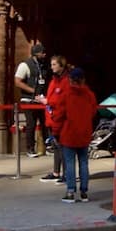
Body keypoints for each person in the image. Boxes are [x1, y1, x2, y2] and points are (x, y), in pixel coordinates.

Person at [50, 68, 97, 203]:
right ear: (83, 80)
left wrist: (55, 132)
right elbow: (93, 112)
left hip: (69, 133)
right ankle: (84, 192)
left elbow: (59, 116)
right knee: (84, 163)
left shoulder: (66, 95)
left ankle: (70, 191)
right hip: (84, 133)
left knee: (70, 164)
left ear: (70, 80)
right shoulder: (90, 95)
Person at [38, 55, 73, 183]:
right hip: (52, 117)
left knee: (63, 147)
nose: (52, 67)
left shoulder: (67, 81)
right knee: (56, 146)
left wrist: (48, 101)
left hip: (61, 118)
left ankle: (67, 174)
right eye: (51, 64)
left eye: (54, 64)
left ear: (61, 65)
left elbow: (63, 100)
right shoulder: (54, 80)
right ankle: (56, 172)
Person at [14, 45, 52, 157]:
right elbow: (18, 81)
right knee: (31, 124)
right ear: (36, 54)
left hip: (42, 100)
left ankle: (48, 146)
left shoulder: (45, 66)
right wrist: (33, 92)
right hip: (28, 99)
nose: (44, 54)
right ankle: (30, 149)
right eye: (42, 52)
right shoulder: (25, 65)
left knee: (46, 123)